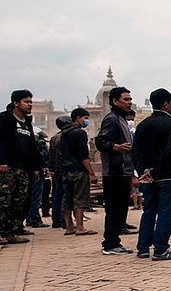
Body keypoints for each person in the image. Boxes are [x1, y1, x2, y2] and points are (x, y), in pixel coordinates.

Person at [132, 88, 171, 260]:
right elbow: (170, 151)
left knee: (149, 211)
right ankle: (161, 249)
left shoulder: (142, 125)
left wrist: (144, 171)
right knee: (165, 213)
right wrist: (156, 170)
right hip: (168, 175)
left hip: (148, 176)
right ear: (166, 104)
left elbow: (135, 151)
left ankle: (143, 248)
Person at [95, 86, 137, 255]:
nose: (129, 102)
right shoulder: (112, 119)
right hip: (114, 171)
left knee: (120, 209)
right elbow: (100, 141)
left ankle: (114, 241)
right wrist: (116, 146)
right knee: (114, 209)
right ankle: (110, 243)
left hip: (123, 171)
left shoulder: (122, 120)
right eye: (125, 99)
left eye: (130, 99)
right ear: (114, 101)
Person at [0, 90, 43, 244]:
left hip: (22, 168)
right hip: (7, 168)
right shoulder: (4, 119)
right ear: (16, 103)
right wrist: (2, 161)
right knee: (4, 201)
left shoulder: (26, 122)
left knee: (19, 201)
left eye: (31, 101)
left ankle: (11, 232)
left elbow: (32, 147)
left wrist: (38, 166)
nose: (30, 104)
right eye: (26, 101)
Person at [59, 108, 98, 236]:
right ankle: (80, 227)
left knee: (67, 199)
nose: (86, 121)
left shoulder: (63, 133)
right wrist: (91, 173)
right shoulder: (80, 133)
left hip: (65, 170)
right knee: (79, 198)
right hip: (78, 170)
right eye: (85, 118)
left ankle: (69, 226)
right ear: (78, 118)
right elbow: (83, 156)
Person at [49, 116, 72, 229]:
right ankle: (65, 222)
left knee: (56, 196)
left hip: (57, 170)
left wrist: (51, 169)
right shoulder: (66, 136)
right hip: (65, 169)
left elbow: (51, 156)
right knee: (65, 196)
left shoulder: (53, 138)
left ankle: (56, 221)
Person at [26, 131, 50, 228]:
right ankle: (35, 219)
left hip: (30, 173)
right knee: (36, 198)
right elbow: (41, 157)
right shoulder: (37, 148)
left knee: (30, 198)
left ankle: (29, 219)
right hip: (36, 173)